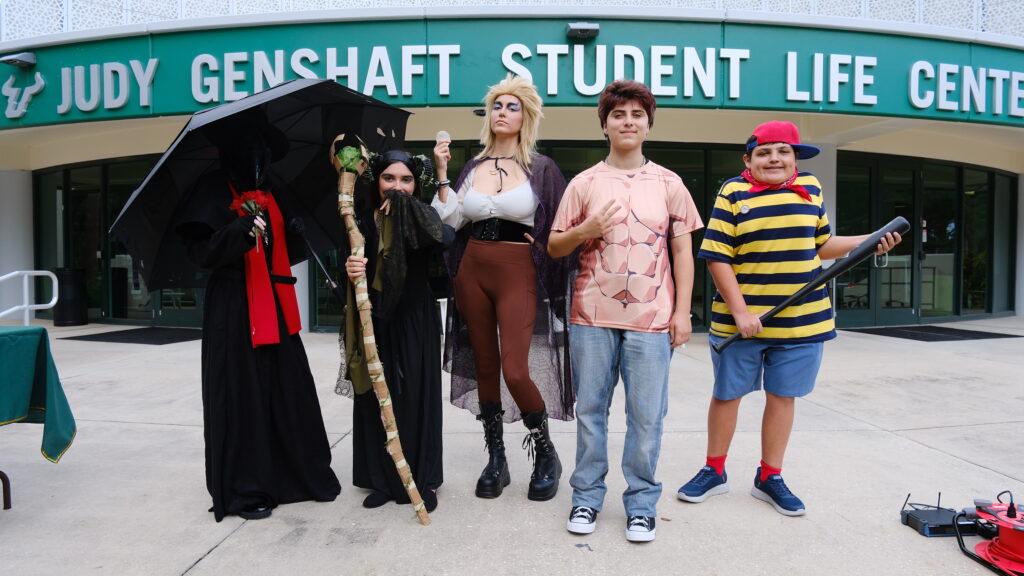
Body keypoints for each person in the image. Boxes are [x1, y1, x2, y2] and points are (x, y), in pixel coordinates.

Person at [676, 120, 901, 516]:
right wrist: (741, 312)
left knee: (783, 397)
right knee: (727, 395)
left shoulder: (810, 188)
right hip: (740, 323)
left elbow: (822, 245)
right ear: (748, 160)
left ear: (795, 158)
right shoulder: (733, 192)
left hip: (802, 320)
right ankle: (714, 470)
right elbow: (717, 256)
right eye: (764, 152)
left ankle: (770, 476)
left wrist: (868, 242)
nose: (774, 158)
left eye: (783, 151)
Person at [547, 80, 703, 542]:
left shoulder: (670, 183)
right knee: (591, 412)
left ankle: (641, 504)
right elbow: (555, 246)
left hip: (652, 319)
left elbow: (683, 252)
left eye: (637, 114)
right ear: (605, 125)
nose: (628, 122)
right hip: (591, 317)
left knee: (647, 417)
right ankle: (586, 498)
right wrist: (586, 230)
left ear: (648, 124)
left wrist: (682, 312)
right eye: (618, 114)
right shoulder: (584, 183)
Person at [176, 111, 341, 522]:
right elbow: (199, 254)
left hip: (277, 305)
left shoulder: (273, 191)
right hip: (233, 307)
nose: (257, 157)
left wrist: (294, 232)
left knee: (287, 387)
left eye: (263, 150)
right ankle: (247, 487)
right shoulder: (211, 190)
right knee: (242, 392)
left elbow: (280, 250)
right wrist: (236, 232)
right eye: (249, 148)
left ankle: (297, 477)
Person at [432, 75, 572, 501]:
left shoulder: (542, 168)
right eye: (497, 105)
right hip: (472, 270)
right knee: (485, 366)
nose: (503, 113)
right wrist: (442, 173)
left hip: (517, 271)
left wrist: (544, 248)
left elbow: (561, 225)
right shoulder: (472, 168)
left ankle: (545, 453)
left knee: (515, 369)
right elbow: (450, 221)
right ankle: (496, 458)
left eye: (513, 107)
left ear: (526, 116)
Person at [336, 150, 451, 513]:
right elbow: (349, 272)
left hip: (415, 316)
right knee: (376, 397)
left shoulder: (421, 215)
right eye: (389, 179)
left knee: (416, 394)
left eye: (406, 180)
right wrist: (352, 268)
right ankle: (383, 479)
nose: (397, 187)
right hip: (375, 317)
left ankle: (423, 478)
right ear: (377, 182)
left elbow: (445, 238)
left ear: (416, 185)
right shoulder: (360, 221)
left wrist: (408, 209)